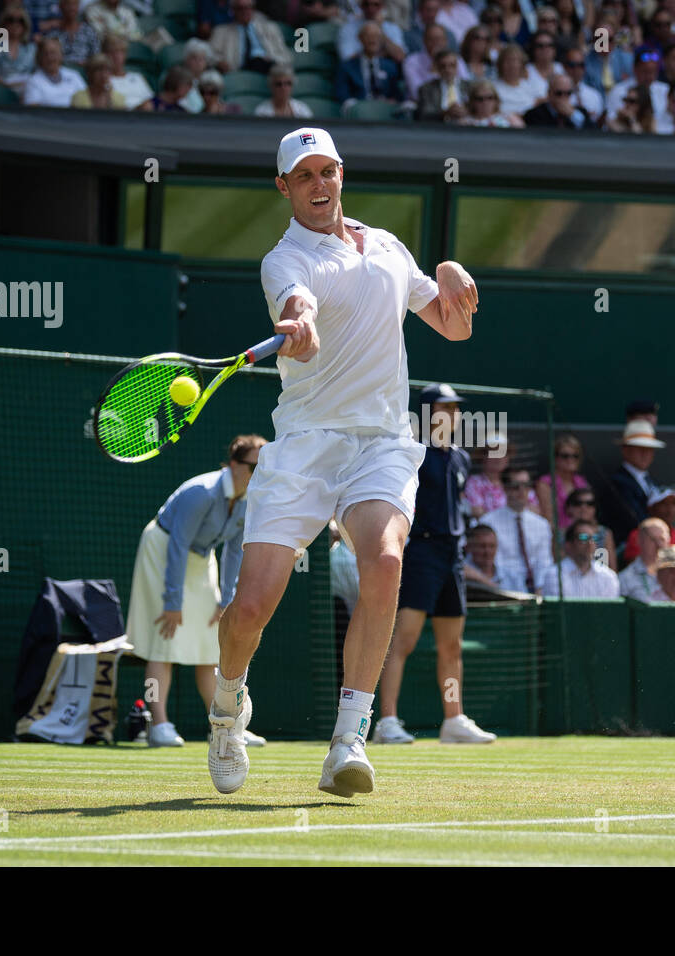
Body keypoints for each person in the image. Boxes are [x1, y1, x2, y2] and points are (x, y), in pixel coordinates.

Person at [207, 126, 479, 798]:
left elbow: (451, 325)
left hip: (382, 441)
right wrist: (299, 325)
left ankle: (348, 739)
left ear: (341, 173)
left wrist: (459, 291)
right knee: (249, 611)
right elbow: (301, 316)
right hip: (305, 444)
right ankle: (226, 712)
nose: (320, 185)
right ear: (285, 189)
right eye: (305, 177)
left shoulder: (386, 244)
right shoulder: (284, 260)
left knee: (385, 561)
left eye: (327, 171)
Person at [125, 436, 268, 748]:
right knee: (161, 643)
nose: (259, 473)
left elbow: (234, 550)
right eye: (254, 466)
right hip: (162, 551)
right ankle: (159, 724)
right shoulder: (201, 493)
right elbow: (177, 545)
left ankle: (224, 726)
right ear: (233, 465)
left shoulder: (250, 500)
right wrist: (172, 601)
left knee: (210, 646)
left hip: (202, 559)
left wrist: (226, 599)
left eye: (265, 467)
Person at [376, 384, 497, 745]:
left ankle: (453, 718)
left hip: (452, 557)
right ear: (429, 413)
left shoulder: (461, 458)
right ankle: (387, 721)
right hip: (421, 554)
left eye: (456, 409)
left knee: (452, 646)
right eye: (445, 408)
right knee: (404, 640)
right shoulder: (412, 453)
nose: (454, 414)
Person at [480, 465, 555, 593]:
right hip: (503, 588)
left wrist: (540, 588)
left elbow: (544, 562)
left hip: (536, 591)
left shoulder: (541, 524)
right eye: (515, 486)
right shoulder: (488, 522)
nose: (522, 491)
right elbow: (494, 563)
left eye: (526, 485)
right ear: (505, 489)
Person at [602, 418, 666, 546]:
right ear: (625, 450)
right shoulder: (618, 482)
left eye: (649, 449)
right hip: (630, 544)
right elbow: (635, 519)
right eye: (639, 448)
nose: (645, 454)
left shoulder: (649, 480)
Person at [541, 519, 621, 597]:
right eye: (583, 538)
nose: (590, 543)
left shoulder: (608, 577)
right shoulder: (554, 575)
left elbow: (608, 609)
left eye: (594, 538)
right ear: (568, 544)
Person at [210, 0, 292, 74]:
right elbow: (211, 54)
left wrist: (272, 59)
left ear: (253, 9)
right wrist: (219, 62)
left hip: (268, 68)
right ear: (233, 10)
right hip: (238, 70)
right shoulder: (221, 31)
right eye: (240, 8)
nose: (245, 11)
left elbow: (285, 55)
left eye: (248, 7)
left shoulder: (270, 28)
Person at [465, 437, 537, 517]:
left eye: (503, 452)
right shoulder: (474, 482)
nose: (498, 457)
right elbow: (478, 513)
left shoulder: (517, 480)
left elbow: (535, 511)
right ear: (483, 456)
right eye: (493, 452)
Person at [537, 434, 591, 531]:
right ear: (555, 458)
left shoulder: (582, 482)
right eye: (565, 456)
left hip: (581, 535)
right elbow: (548, 519)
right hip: (557, 537)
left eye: (575, 456)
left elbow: (590, 516)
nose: (570, 460)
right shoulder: (545, 483)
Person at [0, 7, 36, 95]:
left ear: (25, 25)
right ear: (3, 23)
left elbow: (36, 74)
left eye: (20, 20)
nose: (16, 24)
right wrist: (10, 88)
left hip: (28, 91)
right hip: (1, 91)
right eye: (11, 20)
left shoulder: (31, 48)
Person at [619, 517, 672, 600]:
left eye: (662, 539)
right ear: (639, 541)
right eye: (653, 539)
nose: (659, 545)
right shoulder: (625, 578)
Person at [21, 34, 84, 105]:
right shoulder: (33, 81)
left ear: (61, 55)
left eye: (53, 53)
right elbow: (32, 109)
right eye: (45, 54)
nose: (50, 57)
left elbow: (87, 101)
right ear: (40, 57)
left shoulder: (74, 75)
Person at [563, 488, 617, 568]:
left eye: (590, 503)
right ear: (569, 508)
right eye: (578, 503)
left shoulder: (604, 533)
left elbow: (612, 568)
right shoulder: (561, 534)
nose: (583, 507)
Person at [523, 71, 598, 126]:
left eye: (568, 93)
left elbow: (593, 132)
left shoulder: (580, 112)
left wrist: (573, 115)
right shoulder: (534, 114)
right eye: (559, 93)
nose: (563, 97)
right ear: (549, 94)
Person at [415, 47, 470, 121]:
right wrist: (445, 113)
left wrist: (466, 111)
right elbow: (424, 114)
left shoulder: (470, 87)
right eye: (443, 66)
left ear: (457, 66)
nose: (448, 70)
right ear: (437, 68)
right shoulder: (427, 89)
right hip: (438, 129)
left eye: (452, 65)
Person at [48, 0, 99, 68]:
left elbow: (96, 56)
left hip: (86, 71)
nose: (71, 8)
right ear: (61, 7)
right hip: (62, 71)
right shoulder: (53, 34)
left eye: (74, 4)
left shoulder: (88, 31)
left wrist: (88, 63)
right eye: (68, 4)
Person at [462, 523, 512, 588]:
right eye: (482, 546)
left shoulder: (511, 577)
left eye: (492, 546)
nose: (487, 552)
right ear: (469, 547)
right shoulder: (461, 573)